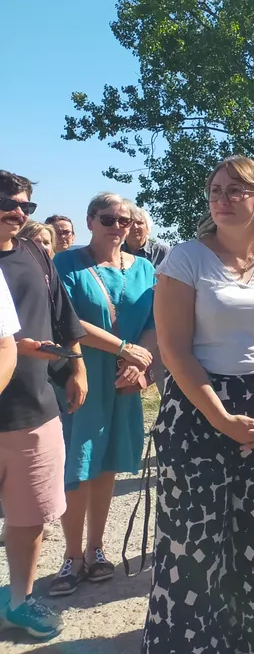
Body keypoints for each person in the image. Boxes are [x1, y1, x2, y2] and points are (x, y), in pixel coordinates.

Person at [142, 156, 254, 654]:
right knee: (192, 547)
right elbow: (173, 349)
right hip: (200, 407)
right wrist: (221, 419)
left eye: (235, 190)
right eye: (216, 190)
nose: (222, 199)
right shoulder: (186, 259)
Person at [48, 194, 157, 596]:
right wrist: (123, 350)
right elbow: (66, 321)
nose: (117, 227)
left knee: (107, 462)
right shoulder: (65, 264)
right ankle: (71, 556)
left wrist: (139, 364)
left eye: (125, 221)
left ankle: (96, 550)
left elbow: (153, 321)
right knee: (77, 465)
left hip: (124, 379)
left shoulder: (144, 268)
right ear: (90, 220)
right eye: (108, 219)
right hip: (81, 374)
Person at [0, 171, 87, 640]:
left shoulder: (34, 252)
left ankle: (18, 599)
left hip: (34, 409)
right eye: (8, 202)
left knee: (29, 515)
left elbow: (62, 314)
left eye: (25, 206)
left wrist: (77, 367)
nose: (18, 212)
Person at [122, 203, 171, 267]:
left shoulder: (163, 252)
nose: (134, 226)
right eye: (130, 223)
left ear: (148, 228)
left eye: (139, 223)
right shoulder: (114, 252)